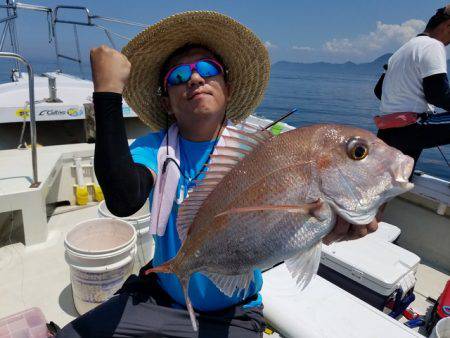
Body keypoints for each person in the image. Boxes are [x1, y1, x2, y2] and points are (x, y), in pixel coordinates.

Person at [57, 11, 377, 338]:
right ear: (167, 102)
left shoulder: (261, 152)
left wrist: (324, 229)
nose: (195, 79)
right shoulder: (154, 149)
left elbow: (281, 223)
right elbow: (123, 200)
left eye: (208, 70)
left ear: (228, 87)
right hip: (160, 296)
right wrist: (108, 93)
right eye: (178, 76)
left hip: (234, 310)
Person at [374, 4, 450, 173]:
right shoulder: (433, 45)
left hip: (387, 130)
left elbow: (379, 91)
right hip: (411, 129)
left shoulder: (401, 51)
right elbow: (438, 95)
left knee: (391, 183)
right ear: (447, 26)